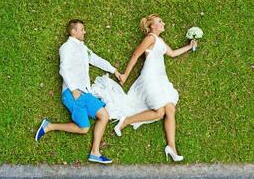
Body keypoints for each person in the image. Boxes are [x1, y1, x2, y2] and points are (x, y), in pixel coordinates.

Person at [92, 14, 197, 162]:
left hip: (161, 79)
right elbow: (136, 55)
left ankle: (171, 147)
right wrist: (125, 75)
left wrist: (190, 46)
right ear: (152, 26)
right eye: (160, 21)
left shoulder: (159, 40)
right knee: (160, 112)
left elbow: (172, 53)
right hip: (151, 78)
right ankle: (126, 121)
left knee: (170, 109)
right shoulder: (150, 38)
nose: (163, 23)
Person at [35, 19, 122, 164]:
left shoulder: (82, 48)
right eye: (82, 29)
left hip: (85, 93)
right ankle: (49, 126)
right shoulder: (67, 47)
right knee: (84, 128)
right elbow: (63, 68)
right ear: (73, 31)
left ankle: (95, 152)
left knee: (104, 115)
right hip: (72, 94)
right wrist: (73, 89)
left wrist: (114, 70)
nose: (84, 32)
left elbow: (95, 59)